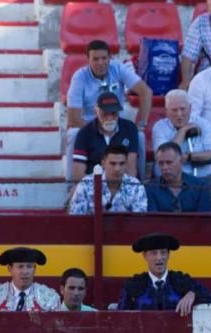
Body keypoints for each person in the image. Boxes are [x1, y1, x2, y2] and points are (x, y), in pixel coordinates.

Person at [65, 40, 151, 180]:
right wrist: (99, 130)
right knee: (74, 134)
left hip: (116, 120)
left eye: (104, 58)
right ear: (88, 60)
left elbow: (145, 91)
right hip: (89, 124)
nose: (100, 63)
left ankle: (138, 183)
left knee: (139, 135)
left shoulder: (118, 68)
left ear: (110, 58)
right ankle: (71, 185)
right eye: (96, 59)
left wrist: (141, 124)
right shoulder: (79, 77)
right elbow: (73, 118)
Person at [118, 233, 211, 314]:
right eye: (154, 253)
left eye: (163, 252)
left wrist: (193, 294)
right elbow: (120, 316)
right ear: (145, 256)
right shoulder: (133, 284)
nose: (159, 258)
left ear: (168, 255)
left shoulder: (182, 281)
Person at [71, 91, 140, 183]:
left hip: (123, 184)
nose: (110, 118)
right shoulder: (84, 133)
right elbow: (78, 174)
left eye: (114, 113)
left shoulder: (129, 129)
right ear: (96, 111)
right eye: (105, 113)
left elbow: (131, 168)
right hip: (93, 184)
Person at [151, 89, 211, 179]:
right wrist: (183, 130)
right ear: (166, 111)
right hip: (172, 180)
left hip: (203, 178)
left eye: (183, 109)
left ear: (190, 108)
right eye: (174, 110)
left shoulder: (203, 123)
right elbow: (165, 156)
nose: (179, 114)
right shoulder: (159, 127)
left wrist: (188, 157)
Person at [69, 145, 148, 215]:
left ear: (126, 164)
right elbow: (76, 219)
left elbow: (139, 221)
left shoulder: (136, 186)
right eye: (113, 163)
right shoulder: (85, 185)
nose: (117, 169)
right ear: (103, 163)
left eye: (122, 163)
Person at [0, 247, 61, 312]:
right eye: (20, 267)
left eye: (29, 266)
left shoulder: (50, 299)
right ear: (10, 269)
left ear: (34, 269)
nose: (25, 272)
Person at [144, 143, 211, 213]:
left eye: (169, 162)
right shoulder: (151, 188)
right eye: (161, 163)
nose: (164, 167)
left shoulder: (200, 187)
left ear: (181, 161)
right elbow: (153, 221)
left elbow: (205, 221)